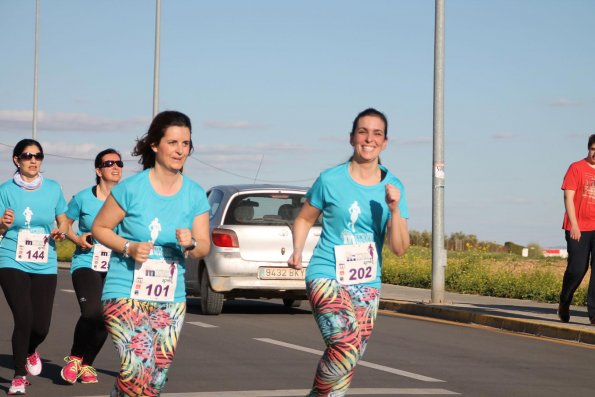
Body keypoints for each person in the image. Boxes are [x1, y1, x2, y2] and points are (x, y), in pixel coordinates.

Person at [288, 108, 410, 397]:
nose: (369, 139)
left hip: (366, 282)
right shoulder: (330, 180)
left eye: (376, 133)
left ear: (385, 142)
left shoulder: (394, 187)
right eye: (363, 132)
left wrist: (394, 208)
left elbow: (399, 248)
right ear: (352, 137)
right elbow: (304, 218)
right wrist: (297, 251)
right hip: (326, 272)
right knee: (345, 344)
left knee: (350, 356)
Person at [92, 110, 210, 397]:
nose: (180, 150)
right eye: (172, 142)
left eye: (185, 143)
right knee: (137, 366)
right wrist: (128, 247)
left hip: (170, 297)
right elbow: (100, 228)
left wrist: (191, 243)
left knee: (155, 378)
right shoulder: (132, 188)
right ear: (155, 145)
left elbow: (205, 245)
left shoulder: (194, 193)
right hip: (125, 291)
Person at [0, 139, 68, 395]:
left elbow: (62, 221)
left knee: (41, 326)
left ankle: (30, 349)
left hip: (44, 260)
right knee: (24, 316)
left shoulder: (53, 188)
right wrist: (3, 223)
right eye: (27, 156)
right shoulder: (5, 190)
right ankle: (18, 376)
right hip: (11, 258)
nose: (33, 160)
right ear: (17, 160)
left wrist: (60, 232)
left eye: (38, 156)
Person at [60, 149, 124, 385]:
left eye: (119, 163)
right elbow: (65, 223)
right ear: (99, 170)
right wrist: (78, 240)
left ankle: (87, 364)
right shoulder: (83, 198)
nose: (116, 167)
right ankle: (76, 358)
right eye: (109, 163)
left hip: (117, 265)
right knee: (92, 312)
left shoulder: (126, 198)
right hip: (87, 261)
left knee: (107, 318)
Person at [558, 133, 595, 324]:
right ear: (588, 148)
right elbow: (568, 197)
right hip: (578, 227)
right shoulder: (576, 168)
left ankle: (594, 313)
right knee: (577, 269)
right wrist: (574, 224)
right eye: (593, 149)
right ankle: (564, 301)